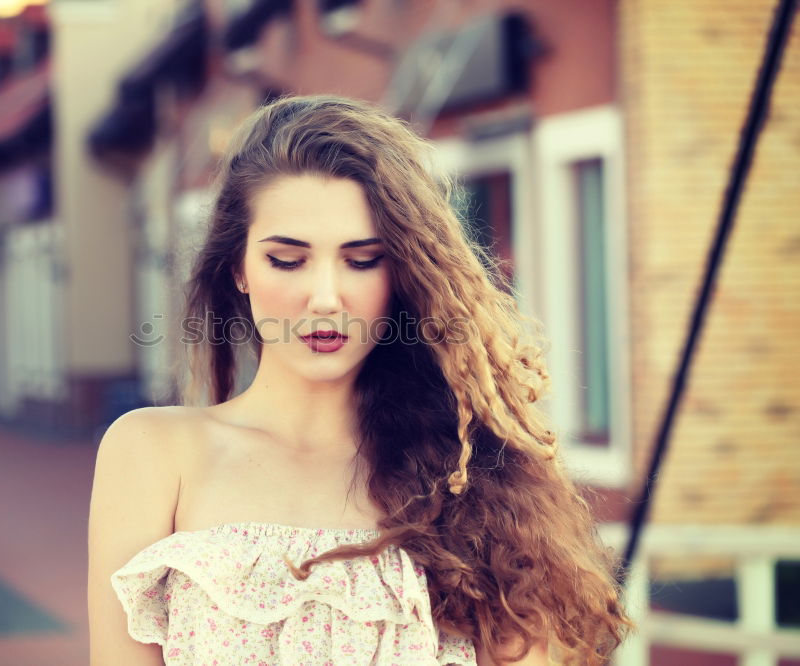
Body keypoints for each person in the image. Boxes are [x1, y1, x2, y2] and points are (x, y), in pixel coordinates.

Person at [88, 95, 634, 665]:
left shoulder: (472, 475)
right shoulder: (151, 452)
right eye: (288, 259)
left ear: (400, 274)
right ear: (239, 269)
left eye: (362, 259)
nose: (325, 298)